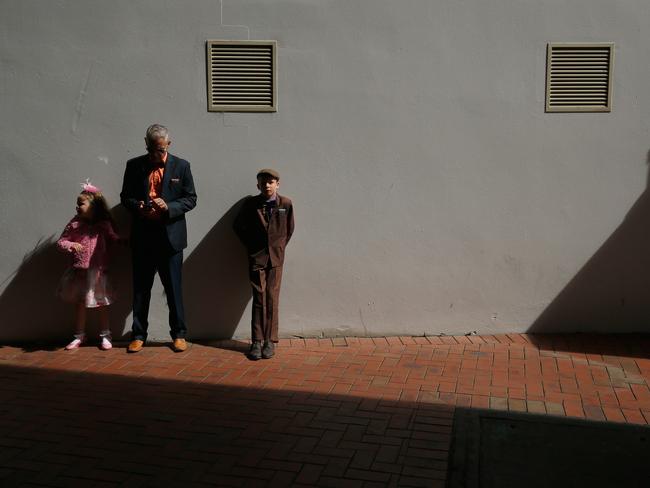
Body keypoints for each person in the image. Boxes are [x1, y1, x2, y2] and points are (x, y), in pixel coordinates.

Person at [120, 124, 197, 353]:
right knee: (141, 290)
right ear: (146, 145)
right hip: (143, 237)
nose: (157, 154)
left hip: (171, 239)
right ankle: (139, 334)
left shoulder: (182, 166)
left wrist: (169, 206)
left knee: (173, 289)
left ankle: (179, 334)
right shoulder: (134, 165)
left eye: (161, 150)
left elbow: (191, 198)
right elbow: (125, 197)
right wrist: (138, 206)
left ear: (168, 145)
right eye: (153, 150)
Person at [233, 169, 294, 360]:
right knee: (259, 297)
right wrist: (252, 247)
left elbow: (289, 229)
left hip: (276, 258)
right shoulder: (251, 204)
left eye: (271, 182)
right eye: (263, 182)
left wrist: (279, 247)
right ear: (258, 185)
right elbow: (238, 226)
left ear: (278, 184)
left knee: (272, 297)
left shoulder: (285, 204)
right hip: (257, 258)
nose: (267, 185)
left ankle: (270, 341)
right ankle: (256, 341)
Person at [57, 181, 120, 350]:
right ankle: (79, 335)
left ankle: (106, 335)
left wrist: (123, 241)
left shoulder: (103, 224)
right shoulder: (75, 223)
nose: (77, 207)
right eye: (77, 204)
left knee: (102, 304)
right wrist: (71, 245)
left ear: (94, 206)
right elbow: (61, 241)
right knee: (80, 304)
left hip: (98, 272)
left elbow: (113, 238)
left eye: (81, 204)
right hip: (80, 272)